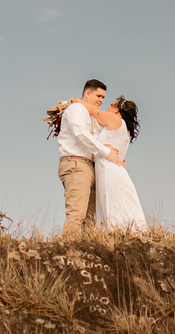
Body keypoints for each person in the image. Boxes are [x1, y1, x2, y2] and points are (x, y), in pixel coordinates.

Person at [56, 79, 124, 236]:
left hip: (91, 167)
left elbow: (101, 143)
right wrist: (107, 153)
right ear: (87, 93)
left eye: (103, 98)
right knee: (77, 212)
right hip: (76, 163)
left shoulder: (92, 116)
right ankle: (69, 250)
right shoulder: (77, 108)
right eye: (98, 96)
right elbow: (80, 134)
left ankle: (87, 255)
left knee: (91, 217)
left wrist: (116, 158)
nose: (101, 100)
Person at [82, 95, 147, 232]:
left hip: (108, 169)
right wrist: (104, 145)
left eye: (111, 105)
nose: (108, 107)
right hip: (118, 171)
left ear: (117, 110)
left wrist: (74, 101)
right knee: (123, 202)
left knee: (110, 203)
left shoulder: (115, 119)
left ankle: (115, 232)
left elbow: (92, 110)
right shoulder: (126, 130)